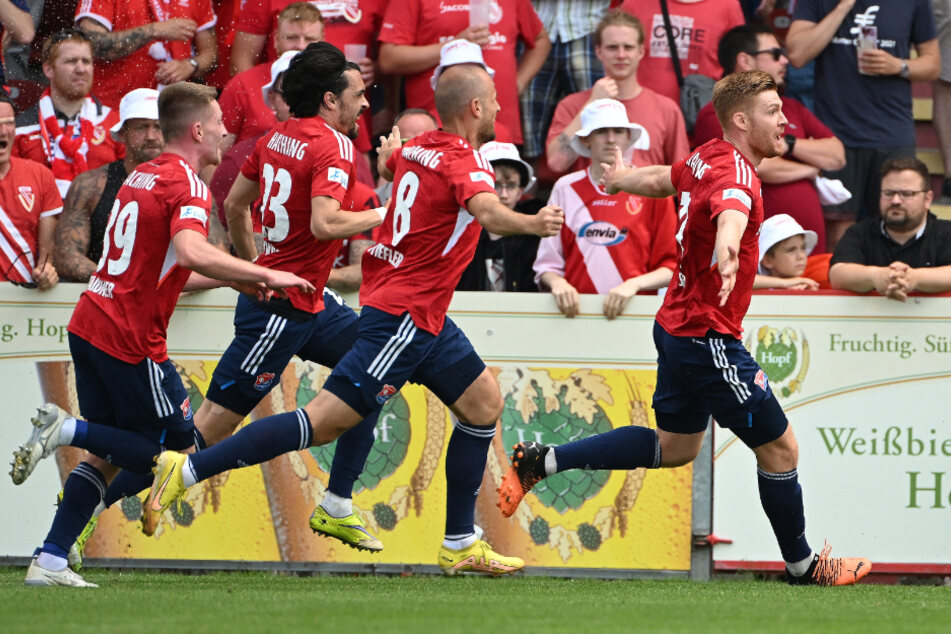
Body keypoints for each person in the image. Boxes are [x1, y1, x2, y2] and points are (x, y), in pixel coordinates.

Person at [143, 63, 564, 576]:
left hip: (419, 311)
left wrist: (388, 166)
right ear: (475, 108)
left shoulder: (419, 147)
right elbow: (491, 214)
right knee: (322, 423)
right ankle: (187, 469)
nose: (501, 106)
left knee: (482, 403)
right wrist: (534, 222)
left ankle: (458, 541)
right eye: (495, 97)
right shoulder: (464, 161)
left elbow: (394, 173)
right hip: (404, 316)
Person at [498, 70, 872, 586]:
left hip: (676, 326)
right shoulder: (738, 174)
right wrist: (726, 248)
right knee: (781, 447)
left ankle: (543, 460)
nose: (785, 119)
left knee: (676, 448)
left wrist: (622, 178)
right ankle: (804, 567)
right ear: (741, 120)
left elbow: (663, 179)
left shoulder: (708, 155)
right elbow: (733, 212)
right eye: (773, 111)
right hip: (705, 336)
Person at [9, 82, 315, 587]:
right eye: (218, 122)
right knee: (177, 455)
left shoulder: (141, 177)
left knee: (110, 455)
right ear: (197, 130)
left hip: (91, 324)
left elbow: (169, 265)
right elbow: (192, 250)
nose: (224, 130)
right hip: (130, 341)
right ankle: (64, 431)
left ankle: (51, 558)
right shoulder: (187, 185)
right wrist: (264, 272)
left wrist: (236, 277)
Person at [786, 0, 939, 248]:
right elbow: (797, 54)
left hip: (892, 132)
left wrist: (898, 66)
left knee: (897, 224)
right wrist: (843, 7)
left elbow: (933, 64)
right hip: (836, 135)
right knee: (838, 233)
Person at [693, 24, 846, 254]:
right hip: (753, 261)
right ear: (745, 60)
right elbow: (753, 166)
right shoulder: (717, 113)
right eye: (775, 54)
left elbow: (837, 156)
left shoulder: (792, 107)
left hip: (809, 255)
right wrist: (810, 169)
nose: (784, 61)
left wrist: (789, 144)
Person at [536, 98, 677, 319]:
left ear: (629, 137)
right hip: (573, 315)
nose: (611, 139)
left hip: (638, 316)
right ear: (585, 140)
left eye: (618, 130)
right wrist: (558, 284)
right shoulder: (565, 188)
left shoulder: (653, 190)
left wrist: (633, 285)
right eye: (601, 131)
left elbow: (672, 265)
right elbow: (547, 263)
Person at [377, 0, 550, 145]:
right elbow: (389, 58)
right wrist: (455, 44)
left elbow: (540, 40)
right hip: (436, 129)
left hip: (499, 125)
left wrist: (517, 83)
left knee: (503, 184)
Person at [546, 10, 689, 174]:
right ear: (599, 52)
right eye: (612, 47)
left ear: (641, 51)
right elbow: (556, 163)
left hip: (649, 198)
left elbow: (682, 176)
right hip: (590, 196)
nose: (621, 55)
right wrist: (592, 102)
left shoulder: (666, 109)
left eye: (628, 47)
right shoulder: (571, 105)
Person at [53, 88, 162, 282]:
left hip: (172, 302)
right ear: (123, 133)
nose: (151, 136)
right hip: (104, 301)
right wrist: (120, 285)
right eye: (141, 127)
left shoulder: (192, 186)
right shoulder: (90, 185)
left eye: (159, 127)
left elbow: (213, 254)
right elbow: (66, 257)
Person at [14, 29, 123, 198]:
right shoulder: (21, 127)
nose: (81, 69)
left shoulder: (115, 123)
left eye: (86, 61)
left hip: (100, 220)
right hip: (40, 219)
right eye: (71, 61)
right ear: (48, 69)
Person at [829, 156, 951, 300]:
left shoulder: (947, 232)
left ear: (927, 199)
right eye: (888, 193)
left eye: (906, 194)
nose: (895, 201)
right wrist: (877, 276)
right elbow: (837, 274)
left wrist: (915, 278)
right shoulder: (859, 232)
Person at [218, 3, 324, 151]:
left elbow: (358, 154)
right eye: (292, 37)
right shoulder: (242, 84)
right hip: (251, 171)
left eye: (309, 39)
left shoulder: (333, 85)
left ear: (322, 41)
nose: (300, 46)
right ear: (276, 39)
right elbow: (214, 155)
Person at [75, 0, 218, 107]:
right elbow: (91, 45)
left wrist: (190, 64)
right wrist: (154, 30)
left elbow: (211, 53)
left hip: (170, 113)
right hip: (115, 108)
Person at [518, 0, 608, 161]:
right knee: (527, 130)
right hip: (535, 28)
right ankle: (528, 183)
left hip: (589, 27)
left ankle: (593, 184)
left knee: (595, 118)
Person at [619, 0, 745, 104]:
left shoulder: (728, 6)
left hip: (700, 115)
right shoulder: (634, 4)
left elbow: (740, 66)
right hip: (645, 114)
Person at [457, 141, 544, 292]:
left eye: (511, 186)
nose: (503, 195)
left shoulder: (535, 238)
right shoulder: (459, 233)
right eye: (495, 185)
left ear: (520, 191)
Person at [0, 91, 61, 290]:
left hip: (21, 303)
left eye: (9, 122)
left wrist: (46, 272)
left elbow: (45, 259)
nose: (3, 131)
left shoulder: (40, 176)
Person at [753, 213, 828, 290]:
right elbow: (742, 280)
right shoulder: (755, 289)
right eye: (791, 250)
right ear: (767, 260)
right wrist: (786, 283)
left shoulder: (810, 284)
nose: (801, 256)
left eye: (803, 247)